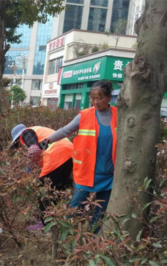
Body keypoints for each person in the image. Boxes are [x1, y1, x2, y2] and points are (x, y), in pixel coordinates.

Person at [46, 80, 117, 233]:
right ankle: (65, 237)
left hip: (110, 174)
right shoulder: (84, 116)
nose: (96, 102)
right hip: (87, 172)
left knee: (101, 212)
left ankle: (92, 243)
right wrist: (47, 140)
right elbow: (65, 131)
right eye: (93, 98)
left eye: (100, 98)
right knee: (75, 208)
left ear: (109, 97)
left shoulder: (119, 115)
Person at [10, 124, 74, 231]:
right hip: (70, 153)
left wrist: (28, 170)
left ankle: (44, 224)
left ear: (17, 139)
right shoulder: (39, 130)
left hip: (56, 155)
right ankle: (57, 218)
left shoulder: (26, 133)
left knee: (43, 189)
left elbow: (34, 150)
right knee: (58, 189)